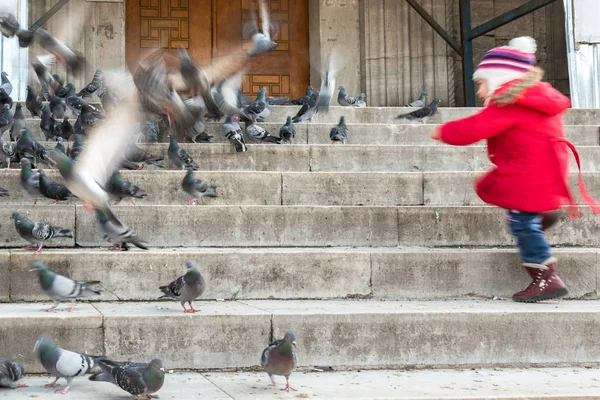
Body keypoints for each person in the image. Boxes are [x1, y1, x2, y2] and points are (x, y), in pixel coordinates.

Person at [431, 36, 600, 303]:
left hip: (527, 175)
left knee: (520, 223)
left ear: (499, 79)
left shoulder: (509, 104)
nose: (479, 91)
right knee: (520, 214)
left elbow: (475, 127)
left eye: (482, 83)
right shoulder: (534, 100)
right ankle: (541, 215)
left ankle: (545, 276)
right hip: (546, 170)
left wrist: (445, 131)